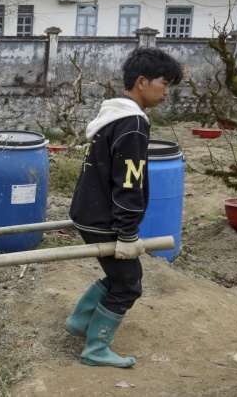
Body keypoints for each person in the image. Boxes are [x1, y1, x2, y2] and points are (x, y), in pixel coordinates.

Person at [66, 47, 183, 368]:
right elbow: (128, 183)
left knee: (119, 277)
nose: (167, 92)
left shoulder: (112, 117)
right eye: (165, 83)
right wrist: (127, 233)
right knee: (130, 285)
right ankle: (95, 349)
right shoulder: (132, 123)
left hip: (87, 213)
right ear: (142, 82)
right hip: (104, 219)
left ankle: (79, 322)